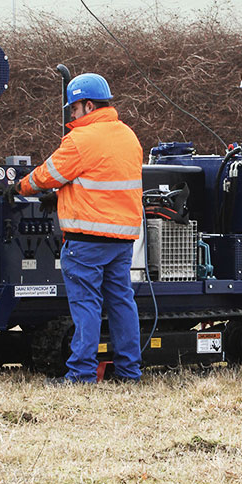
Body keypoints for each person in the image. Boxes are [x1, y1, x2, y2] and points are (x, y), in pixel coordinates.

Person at [16, 72, 144, 383]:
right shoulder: (128, 136)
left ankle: (81, 373)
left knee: (86, 305)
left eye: (73, 109)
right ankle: (129, 372)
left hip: (86, 241)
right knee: (121, 303)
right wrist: (63, 195)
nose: (71, 116)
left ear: (88, 106)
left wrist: (18, 188)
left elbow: (46, 176)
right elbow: (98, 181)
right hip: (122, 239)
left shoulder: (80, 140)